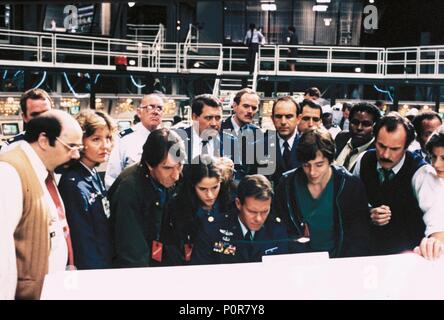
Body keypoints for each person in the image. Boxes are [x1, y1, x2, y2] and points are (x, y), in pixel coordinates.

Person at [0, 110, 83, 299]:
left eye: (79, 148)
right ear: (44, 140)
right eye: (70, 146)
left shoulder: (45, 171)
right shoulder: (8, 173)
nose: (76, 155)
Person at [273, 128, 370, 257]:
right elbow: (279, 227)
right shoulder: (287, 184)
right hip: (299, 259)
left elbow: (359, 234)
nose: (312, 172)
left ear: (330, 161)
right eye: (306, 165)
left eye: (319, 165)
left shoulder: (349, 185)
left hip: (339, 259)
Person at [353, 112, 439, 255]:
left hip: (407, 258)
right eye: (381, 146)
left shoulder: (422, 173)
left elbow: (436, 219)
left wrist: (434, 242)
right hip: (369, 254)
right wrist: (367, 212)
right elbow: (353, 203)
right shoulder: (364, 160)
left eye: (394, 149)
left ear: (407, 147)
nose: (385, 155)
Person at [108, 128, 185, 268]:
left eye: (179, 166)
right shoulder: (128, 189)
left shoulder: (171, 178)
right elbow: (132, 253)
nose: (176, 175)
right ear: (150, 164)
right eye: (167, 168)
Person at [58, 110, 116, 270]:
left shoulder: (92, 172)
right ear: (79, 142)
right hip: (92, 270)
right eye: (96, 139)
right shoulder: (73, 184)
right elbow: (83, 242)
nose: (105, 145)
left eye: (108, 138)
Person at [192, 174, 288, 265]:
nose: (258, 219)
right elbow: (199, 271)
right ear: (238, 204)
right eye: (252, 212)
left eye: (264, 211)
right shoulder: (212, 230)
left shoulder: (277, 230)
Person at [165, 155, 232, 264]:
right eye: (203, 189)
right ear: (192, 186)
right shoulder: (177, 209)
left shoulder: (232, 203)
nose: (210, 195)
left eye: (215, 187)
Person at [105, 93, 164, 189]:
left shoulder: (171, 138)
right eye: (150, 107)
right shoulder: (125, 139)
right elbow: (112, 178)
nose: (155, 112)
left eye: (159, 108)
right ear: (139, 112)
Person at [413, 125, 444, 259]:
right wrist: (435, 242)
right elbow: (436, 220)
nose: (436, 164)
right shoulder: (427, 175)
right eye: (433, 157)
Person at [221, 88, 262, 180]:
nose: (250, 111)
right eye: (246, 106)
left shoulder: (257, 133)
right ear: (235, 106)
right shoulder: (218, 130)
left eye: (254, 108)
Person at [0, 88, 54, 153]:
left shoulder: (65, 143)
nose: (42, 118)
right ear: (24, 117)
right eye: (35, 115)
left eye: (46, 113)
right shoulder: (10, 148)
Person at [176, 94, 223, 162]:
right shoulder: (177, 139)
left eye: (218, 118)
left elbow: (240, 171)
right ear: (194, 117)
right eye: (208, 118)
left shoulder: (230, 141)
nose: (214, 123)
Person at [335, 102, 381, 172]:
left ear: (375, 126)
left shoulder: (377, 152)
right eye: (355, 122)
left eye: (366, 124)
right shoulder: (341, 137)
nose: (359, 128)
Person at [267, 96, 301, 188]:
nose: (283, 122)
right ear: (272, 119)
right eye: (278, 116)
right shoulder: (260, 146)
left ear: (298, 119)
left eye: (289, 116)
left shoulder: (308, 146)